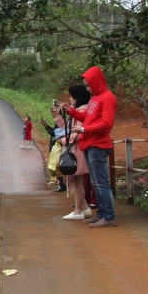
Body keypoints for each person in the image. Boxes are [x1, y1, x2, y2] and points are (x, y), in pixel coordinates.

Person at [62, 66, 117, 228]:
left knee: (101, 183)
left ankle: (109, 215)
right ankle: (102, 213)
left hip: (98, 145)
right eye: (86, 86)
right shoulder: (95, 99)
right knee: (96, 182)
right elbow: (86, 116)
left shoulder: (107, 98)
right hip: (90, 144)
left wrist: (84, 129)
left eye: (88, 85)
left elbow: (107, 123)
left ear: (96, 82)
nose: (87, 88)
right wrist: (71, 111)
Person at [56, 85, 93, 220]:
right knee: (74, 179)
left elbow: (78, 133)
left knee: (77, 181)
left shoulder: (82, 111)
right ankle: (84, 207)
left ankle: (79, 210)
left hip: (78, 150)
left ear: (77, 97)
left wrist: (64, 140)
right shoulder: (80, 110)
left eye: (72, 96)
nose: (70, 99)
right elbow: (68, 128)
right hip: (77, 149)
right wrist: (58, 117)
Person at [40, 116, 67, 192]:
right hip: (55, 147)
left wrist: (46, 126)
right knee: (56, 166)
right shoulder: (59, 124)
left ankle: (62, 185)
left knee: (56, 166)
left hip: (58, 148)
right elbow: (54, 133)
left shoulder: (62, 124)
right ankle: (61, 184)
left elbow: (54, 134)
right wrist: (46, 125)